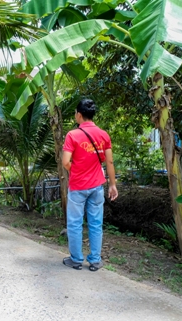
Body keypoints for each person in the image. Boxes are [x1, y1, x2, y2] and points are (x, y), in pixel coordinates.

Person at [62, 99, 118, 272]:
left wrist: (76, 171)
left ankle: (76, 259)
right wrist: (113, 185)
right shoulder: (103, 135)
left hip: (78, 186)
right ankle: (95, 260)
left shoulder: (73, 135)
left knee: (75, 223)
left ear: (79, 114)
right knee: (95, 223)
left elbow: (65, 162)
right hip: (97, 186)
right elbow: (109, 161)